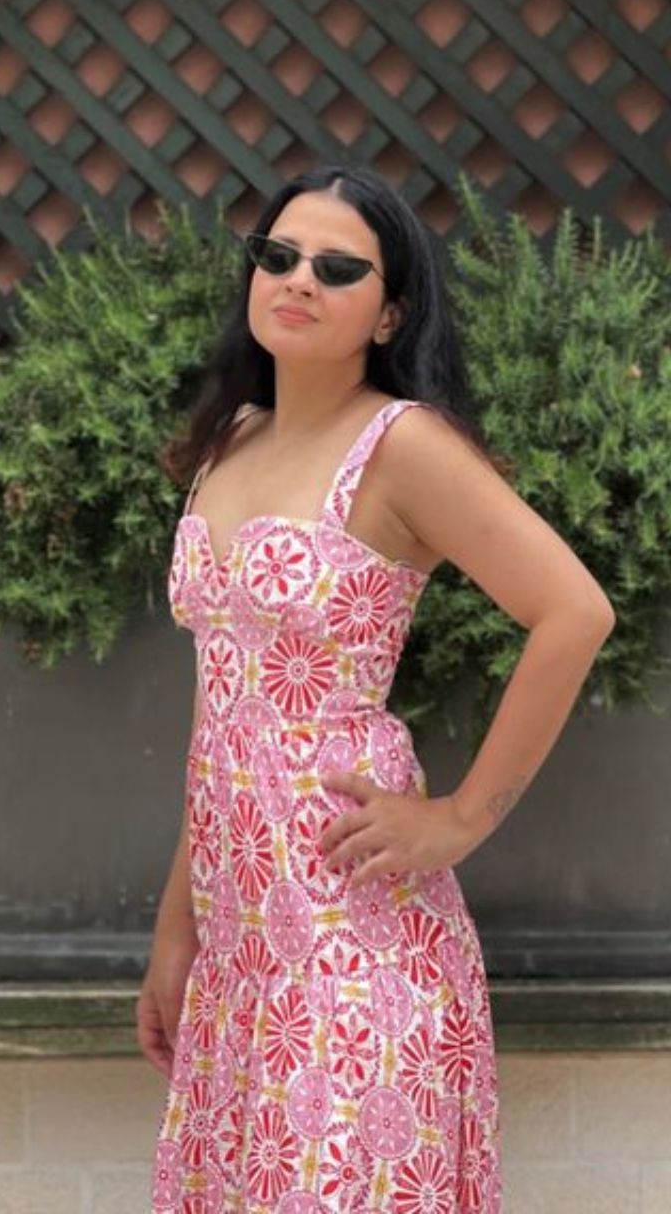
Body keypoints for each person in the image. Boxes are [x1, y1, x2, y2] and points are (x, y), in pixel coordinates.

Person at [138, 163, 615, 1212]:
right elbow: (225, 719)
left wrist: (460, 819)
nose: (299, 278)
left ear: (390, 311)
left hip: (353, 940)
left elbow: (575, 612)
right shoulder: (232, 440)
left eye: (339, 267)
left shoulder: (402, 444)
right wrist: (179, 927)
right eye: (279, 255)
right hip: (243, 951)